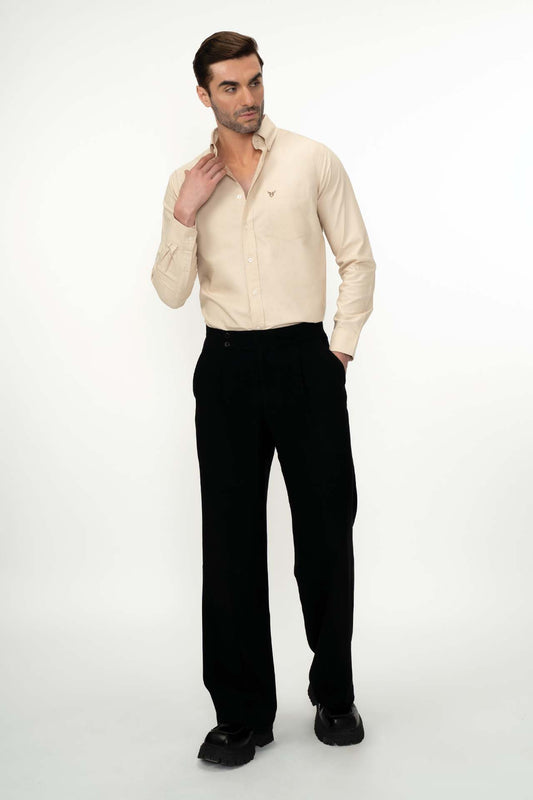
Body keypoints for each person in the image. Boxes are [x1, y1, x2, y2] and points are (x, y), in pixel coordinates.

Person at [151, 30, 376, 768]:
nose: (247, 98)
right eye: (230, 86)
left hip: (306, 361)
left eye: (253, 81)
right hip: (225, 368)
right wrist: (185, 214)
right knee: (231, 543)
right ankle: (242, 714)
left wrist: (337, 349)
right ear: (203, 94)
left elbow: (356, 258)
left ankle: (333, 692)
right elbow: (170, 291)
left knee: (325, 533)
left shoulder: (312, 160)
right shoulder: (186, 182)